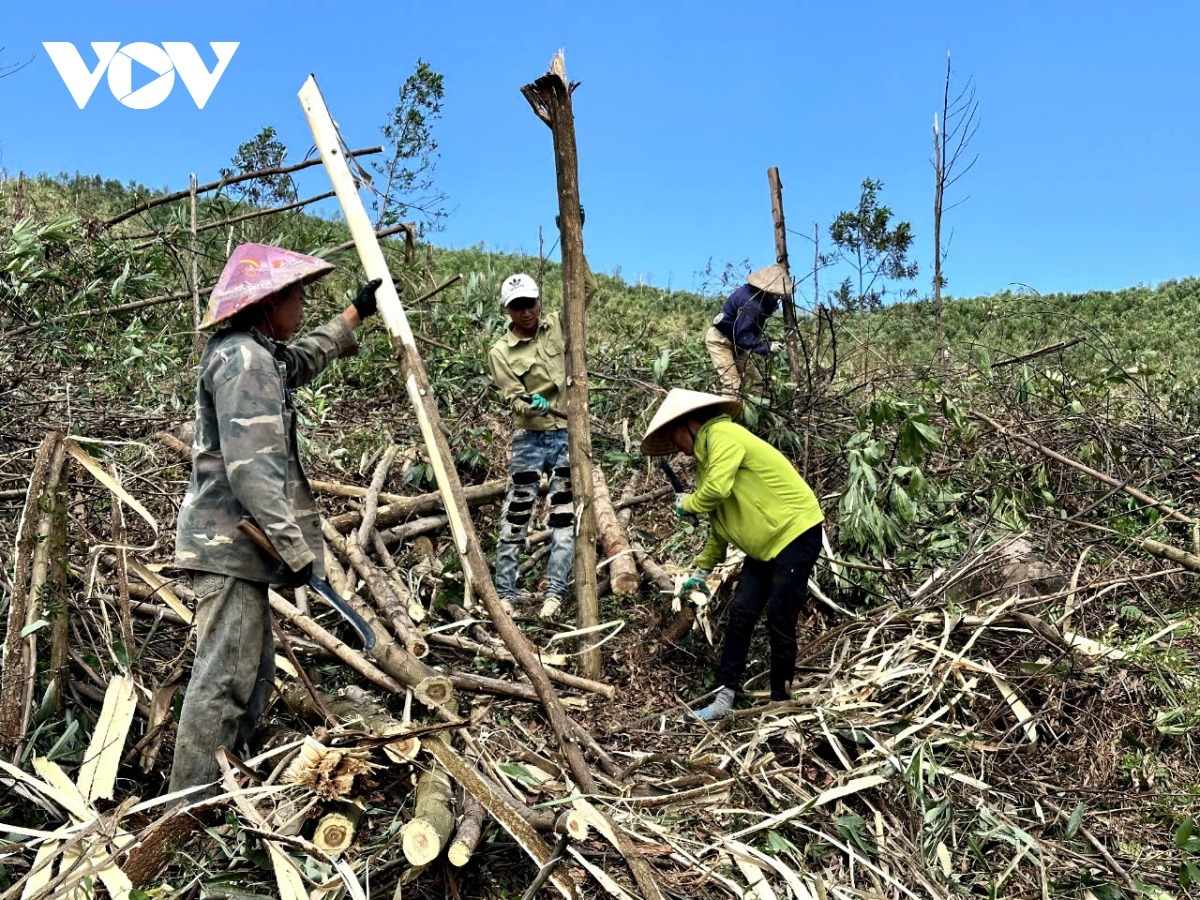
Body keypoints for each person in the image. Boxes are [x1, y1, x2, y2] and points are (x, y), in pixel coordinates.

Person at [169, 243, 381, 795]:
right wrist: (295, 550)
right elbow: (252, 471)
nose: (304, 306)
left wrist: (354, 315)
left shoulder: (253, 353)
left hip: (240, 549)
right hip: (232, 547)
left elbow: (299, 359)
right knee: (224, 682)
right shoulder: (244, 361)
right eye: (298, 295)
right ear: (269, 302)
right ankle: (184, 813)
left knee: (252, 674)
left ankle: (223, 794)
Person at [640, 388, 824, 721]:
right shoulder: (704, 466)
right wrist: (700, 570)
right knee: (741, 614)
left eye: (675, 437)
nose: (678, 448)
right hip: (763, 547)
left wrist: (688, 504)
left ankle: (780, 701)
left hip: (796, 532)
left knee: (780, 616)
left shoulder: (724, 435)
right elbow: (719, 530)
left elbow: (716, 492)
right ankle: (724, 697)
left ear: (689, 424)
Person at [487, 261, 597, 619]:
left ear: (538, 301)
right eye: (518, 306)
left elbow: (587, 292)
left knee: (565, 516)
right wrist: (529, 405)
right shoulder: (501, 351)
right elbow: (513, 398)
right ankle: (506, 594)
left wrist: (575, 246)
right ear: (507, 310)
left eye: (531, 303)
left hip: (567, 434)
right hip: (529, 438)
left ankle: (554, 593)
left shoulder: (557, 324)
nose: (527, 311)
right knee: (517, 514)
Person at [705, 263, 793, 395]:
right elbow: (742, 335)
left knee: (755, 383)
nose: (779, 297)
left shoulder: (754, 295)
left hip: (736, 343)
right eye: (777, 294)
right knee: (733, 386)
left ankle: (756, 412)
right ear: (769, 291)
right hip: (720, 341)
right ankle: (727, 414)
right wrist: (766, 346)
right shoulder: (752, 304)